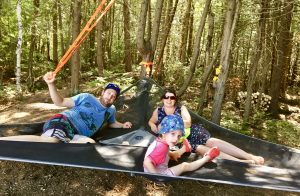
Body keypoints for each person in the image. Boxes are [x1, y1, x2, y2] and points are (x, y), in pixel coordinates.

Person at [0, 71, 132, 143]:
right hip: (64, 122)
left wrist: (122, 125)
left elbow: (112, 123)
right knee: (51, 141)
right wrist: (51, 85)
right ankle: (3, 141)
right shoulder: (86, 97)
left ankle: (62, 140)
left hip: (75, 134)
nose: (110, 97)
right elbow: (60, 102)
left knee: (90, 144)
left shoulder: (111, 110)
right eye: (109, 93)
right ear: (103, 92)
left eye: (113, 96)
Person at [148, 88, 264, 165]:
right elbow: (151, 122)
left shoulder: (181, 108)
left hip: (190, 131)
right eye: (166, 97)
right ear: (162, 98)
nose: (169, 100)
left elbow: (188, 122)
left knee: (212, 141)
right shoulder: (158, 111)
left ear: (175, 99)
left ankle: (249, 156)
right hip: (178, 140)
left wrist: (171, 124)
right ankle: (240, 162)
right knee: (201, 149)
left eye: (172, 98)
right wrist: (153, 126)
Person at [144, 114, 220, 176]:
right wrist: (157, 177)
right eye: (173, 134)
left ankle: (183, 149)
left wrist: (170, 154)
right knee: (184, 166)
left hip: (158, 165)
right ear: (164, 132)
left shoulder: (161, 141)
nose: (176, 139)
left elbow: (160, 154)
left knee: (171, 154)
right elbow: (147, 162)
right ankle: (207, 158)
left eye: (179, 136)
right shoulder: (161, 147)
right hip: (160, 173)